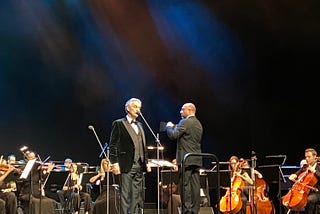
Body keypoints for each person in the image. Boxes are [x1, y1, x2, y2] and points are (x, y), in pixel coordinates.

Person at [109, 97, 151, 214]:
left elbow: (143, 145)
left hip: (139, 164)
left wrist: (146, 162)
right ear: (127, 108)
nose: (138, 110)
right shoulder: (119, 123)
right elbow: (113, 146)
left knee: (136, 195)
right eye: (135, 107)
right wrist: (115, 163)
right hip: (126, 164)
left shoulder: (141, 125)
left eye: (139, 108)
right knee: (126, 195)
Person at [166, 102, 203, 214]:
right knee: (195, 185)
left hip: (186, 159)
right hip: (196, 158)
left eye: (183, 109)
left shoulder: (185, 121)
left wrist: (168, 127)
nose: (180, 111)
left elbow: (174, 135)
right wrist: (176, 126)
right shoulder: (198, 123)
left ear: (190, 110)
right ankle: (195, 210)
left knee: (185, 185)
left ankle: (186, 210)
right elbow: (187, 135)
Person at [285, 148, 320, 214]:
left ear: (315, 157)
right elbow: (297, 173)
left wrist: (314, 171)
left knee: (309, 200)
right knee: (286, 200)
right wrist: (294, 175)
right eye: (306, 157)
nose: (307, 158)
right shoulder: (305, 166)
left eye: (309, 157)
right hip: (303, 191)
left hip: (316, 192)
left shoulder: (319, 167)